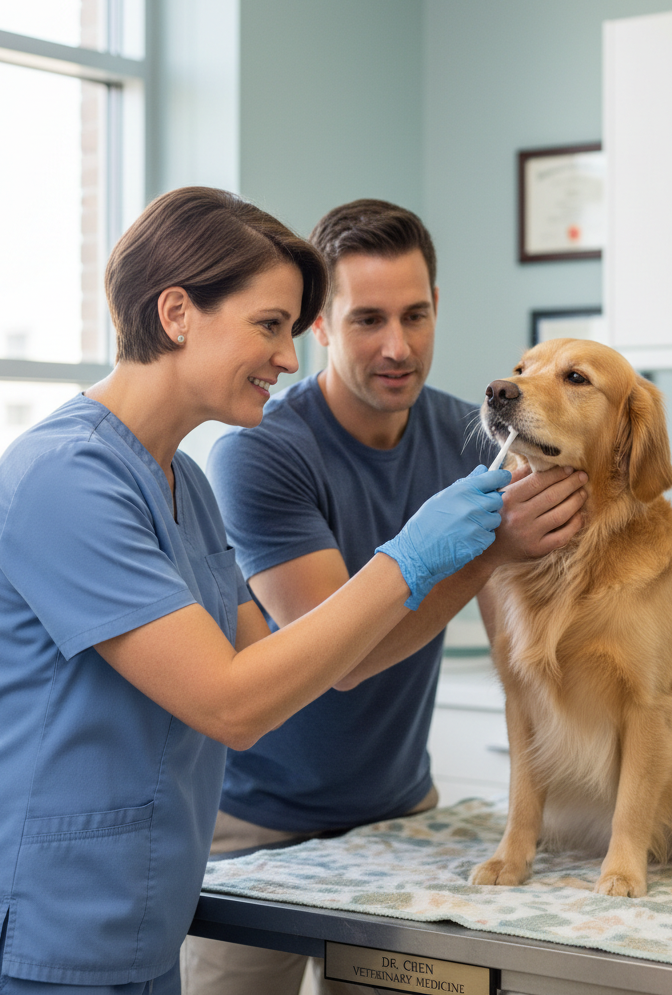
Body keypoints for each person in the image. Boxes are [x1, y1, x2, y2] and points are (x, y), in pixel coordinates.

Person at [0, 187, 517, 995]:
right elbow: (232, 705)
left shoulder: (182, 480)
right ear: (178, 312)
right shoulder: (64, 480)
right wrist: (412, 556)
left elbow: (280, 667)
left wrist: (470, 557)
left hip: (136, 937)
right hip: (20, 942)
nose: (290, 359)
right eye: (269, 327)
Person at [183, 199, 587, 995]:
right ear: (319, 327)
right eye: (367, 319)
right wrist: (486, 555)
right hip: (256, 829)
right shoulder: (261, 453)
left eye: (416, 315)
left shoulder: (469, 437)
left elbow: (524, 632)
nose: (397, 346)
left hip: (401, 813)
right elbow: (339, 657)